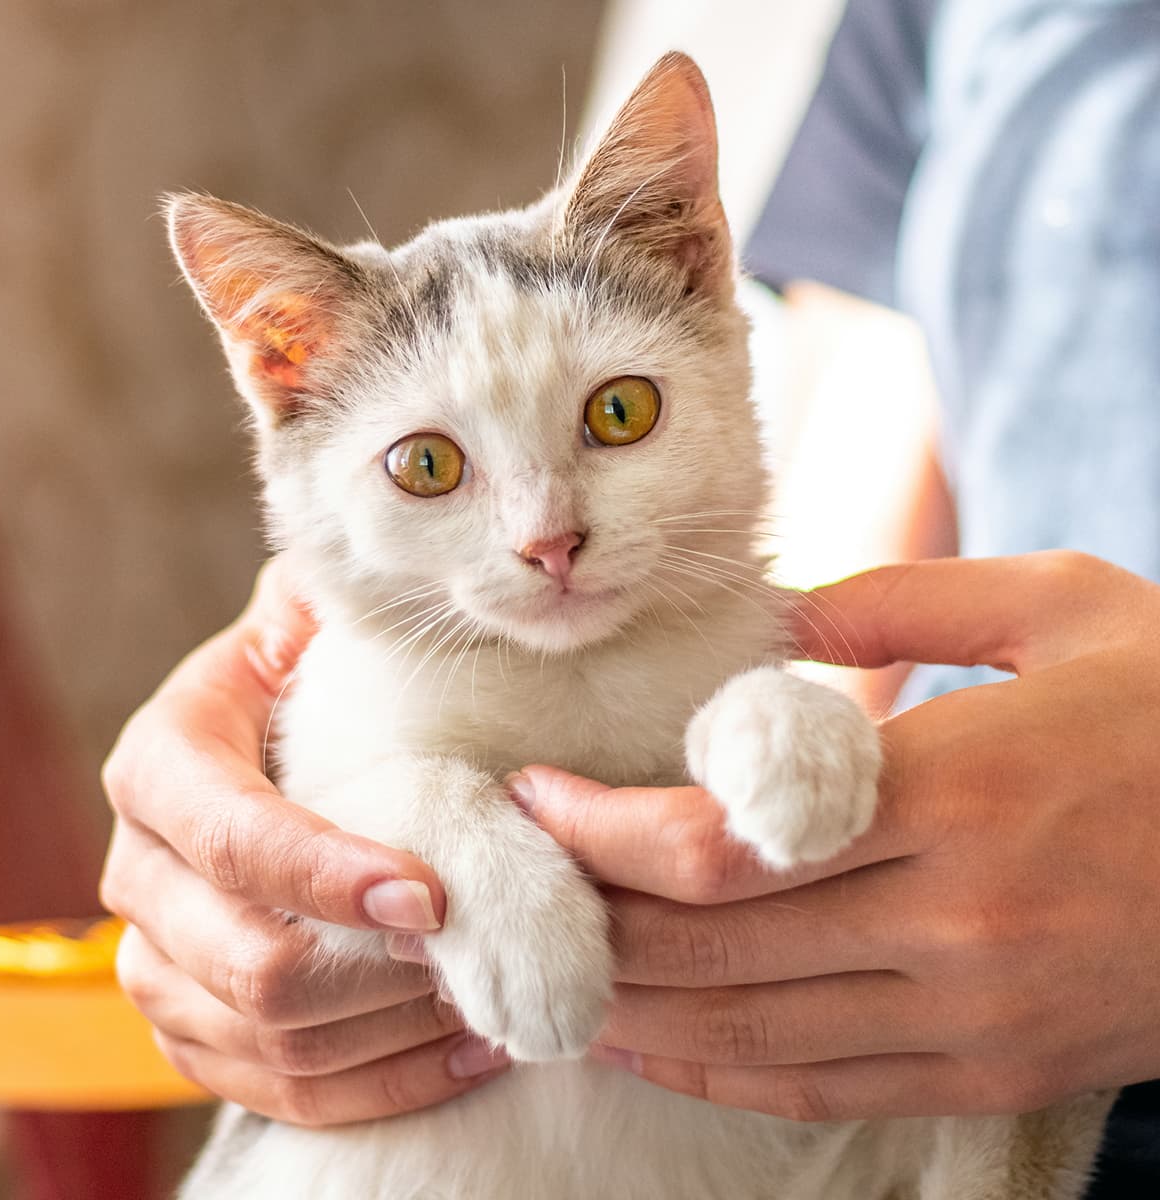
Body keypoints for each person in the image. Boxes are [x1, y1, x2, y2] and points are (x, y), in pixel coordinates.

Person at [101, 0, 1160, 1194]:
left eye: (616, 415)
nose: (546, 534)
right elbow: (854, 566)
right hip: (971, 950)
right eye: (430, 468)